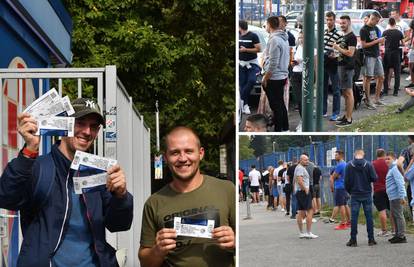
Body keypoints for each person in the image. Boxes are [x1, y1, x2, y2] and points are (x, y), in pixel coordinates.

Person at [0, 98, 133, 266]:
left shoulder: (99, 173)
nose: (87, 131)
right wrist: (28, 150)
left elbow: (118, 224)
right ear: (63, 124)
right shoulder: (39, 167)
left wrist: (121, 196)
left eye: (93, 127)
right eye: (80, 123)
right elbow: (6, 197)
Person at [138, 127, 235, 266]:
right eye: (175, 153)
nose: (183, 158)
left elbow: (249, 241)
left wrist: (235, 241)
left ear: (200, 153)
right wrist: (157, 251)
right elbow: (145, 263)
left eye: (189, 151)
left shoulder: (226, 189)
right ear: (165, 158)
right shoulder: (153, 203)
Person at [344, 149, 378, 247]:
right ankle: (371, 239)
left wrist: (350, 191)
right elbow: (374, 178)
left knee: (354, 217)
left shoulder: (349, 165)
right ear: (363, 154)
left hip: (354, 194)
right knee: (369, 217)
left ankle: (353, 240)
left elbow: (346, 182)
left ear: (355, 155)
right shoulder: (368, 164)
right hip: (366, 193)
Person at [262, 16, 290, 132]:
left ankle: (279, 129)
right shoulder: (284, 38)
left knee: (275, 106)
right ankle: (285, 127)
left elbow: (273, 62)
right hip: (282, 75)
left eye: (266, 25)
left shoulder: (274, 39)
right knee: (280, 104)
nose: (265, 27)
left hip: (274, 76)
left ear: (269, 25)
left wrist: (266, 77)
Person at [332, 15, 357, 127]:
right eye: (341, 23)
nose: (342, 25)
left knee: (348, 92)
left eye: (344, 23)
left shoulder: (352, 37)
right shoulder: (344, 36)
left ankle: (349, 118)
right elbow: (343, 52)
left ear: (349, 23)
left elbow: (350, 53)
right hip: (341, 66)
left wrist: (338, 48)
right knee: (345, 93)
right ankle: (346, 115)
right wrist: (336, 54)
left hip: (347, 68)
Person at [360, 11, 385, 109]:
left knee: (381, 76)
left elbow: (375, 41)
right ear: (372, 18)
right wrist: (377, 41)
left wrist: (380, 42)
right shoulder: (363, 29)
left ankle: (377, 99)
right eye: (377, 21)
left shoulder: (376, 28)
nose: (377, 23)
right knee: (368, 78)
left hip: (376, 54)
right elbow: (364, 45)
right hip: (369, 55)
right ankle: (368, 100)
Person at [385, 151, 408, 244]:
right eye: (386, 159)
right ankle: (397, 234)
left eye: (388, 159)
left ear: (394, 159)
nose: (386, 160)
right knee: (395, 215)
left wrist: (402, 197)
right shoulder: (391, 169)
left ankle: (401, 236)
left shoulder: (395, 168)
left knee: (398, 215)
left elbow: (400, 183)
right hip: (392, 197)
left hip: (397, 197)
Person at [239, 20, 261, 115]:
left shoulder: (253, 36)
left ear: (240, 27)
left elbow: (258, 49)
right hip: (241, 64)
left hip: (252, 64)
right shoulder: (238, 35)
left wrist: (246, 50)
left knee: (252, 80)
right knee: (242, 84)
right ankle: (245, 105)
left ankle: (240, 99)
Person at [323, 11, 342, 120]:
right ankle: (323, 111)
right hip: (323, 63)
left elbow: (341, 51)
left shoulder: (339, 34)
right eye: (327, 19)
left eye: (331, 20)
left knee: (336, 89)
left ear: (334, 20)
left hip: (333, 64)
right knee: (323, 88)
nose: (329, 22)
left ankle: (336, 113)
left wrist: (334, 54)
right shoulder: (323, 33)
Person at [295, 154, 318, 239]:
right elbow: (300, 180)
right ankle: (308, 232)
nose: (307, 161)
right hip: (303, 192)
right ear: (300, 160)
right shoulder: (300, 168)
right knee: (310, 210)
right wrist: (305, 189)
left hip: (299, 192)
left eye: (307, 159)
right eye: (305, 160)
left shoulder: (298, 167)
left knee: (301, 212)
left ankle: (301, 232)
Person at [372, 149, 394, 237]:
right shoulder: (388, 163)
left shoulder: (373, 164)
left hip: (378, 189)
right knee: (392, 210)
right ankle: (394, 229)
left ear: (376, 154)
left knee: (382, 210)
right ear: (384, 155)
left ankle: (384, 230)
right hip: (389, 189)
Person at [382, 17, 404, 96]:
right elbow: (403, 43)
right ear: (395, 23)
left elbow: (381, 43)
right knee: (397, 73)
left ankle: (385, 91)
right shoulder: (399, 32)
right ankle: (395, 92)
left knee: (386, 73)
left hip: (387, 53)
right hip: (396, 53)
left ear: (388, 23)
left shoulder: (385, 32)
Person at [332, 150, 350, 230]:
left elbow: (333, 176)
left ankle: (343, 223)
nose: (335, 157)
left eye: (336, 155)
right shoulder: (345, 164)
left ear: (341, 156)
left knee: (341, 205)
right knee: (345, 204)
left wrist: (336, 176)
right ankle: (349, 222)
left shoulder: (340, 165)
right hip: (344, 186)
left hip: (339, 186)